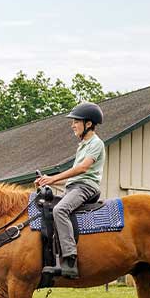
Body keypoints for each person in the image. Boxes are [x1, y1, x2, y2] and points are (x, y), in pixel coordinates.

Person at [35, 102, 106, 279]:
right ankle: (52, 258)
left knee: (61, 210)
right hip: (75, 186)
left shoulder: (96, 144)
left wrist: (53, 179)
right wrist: (47, 181)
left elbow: (82, 169)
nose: (72, 125)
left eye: (76, 121)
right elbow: (73, 175)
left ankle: (70, 260)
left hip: (86, 187)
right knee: (49, 209)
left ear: (88, 124)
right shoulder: (82, 145)